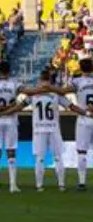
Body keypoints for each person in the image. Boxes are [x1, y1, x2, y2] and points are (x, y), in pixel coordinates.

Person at [0, 69, 91, 192]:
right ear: (50, 80)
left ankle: (39, 185)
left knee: (40, 158)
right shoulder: (56, 94)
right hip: (53, 128)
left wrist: (5, 112)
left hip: (39, 129)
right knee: (58, 157)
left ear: (40, 79)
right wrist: (86, 113)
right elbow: (72, 107)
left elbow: (19, 107)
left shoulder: (33, 95)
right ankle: (62, 185)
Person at [0, 61, 23, 193]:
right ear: (9, 71)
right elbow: (27, 91)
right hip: (11, 120)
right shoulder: (15, 84)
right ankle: (13, 185)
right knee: (11, 151)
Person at [58, 58, 93, 191]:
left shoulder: (77, 82)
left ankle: (82, 183)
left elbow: (62, 92)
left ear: (80, 68)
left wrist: (50, 87)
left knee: (82, 152)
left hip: (84, 118)